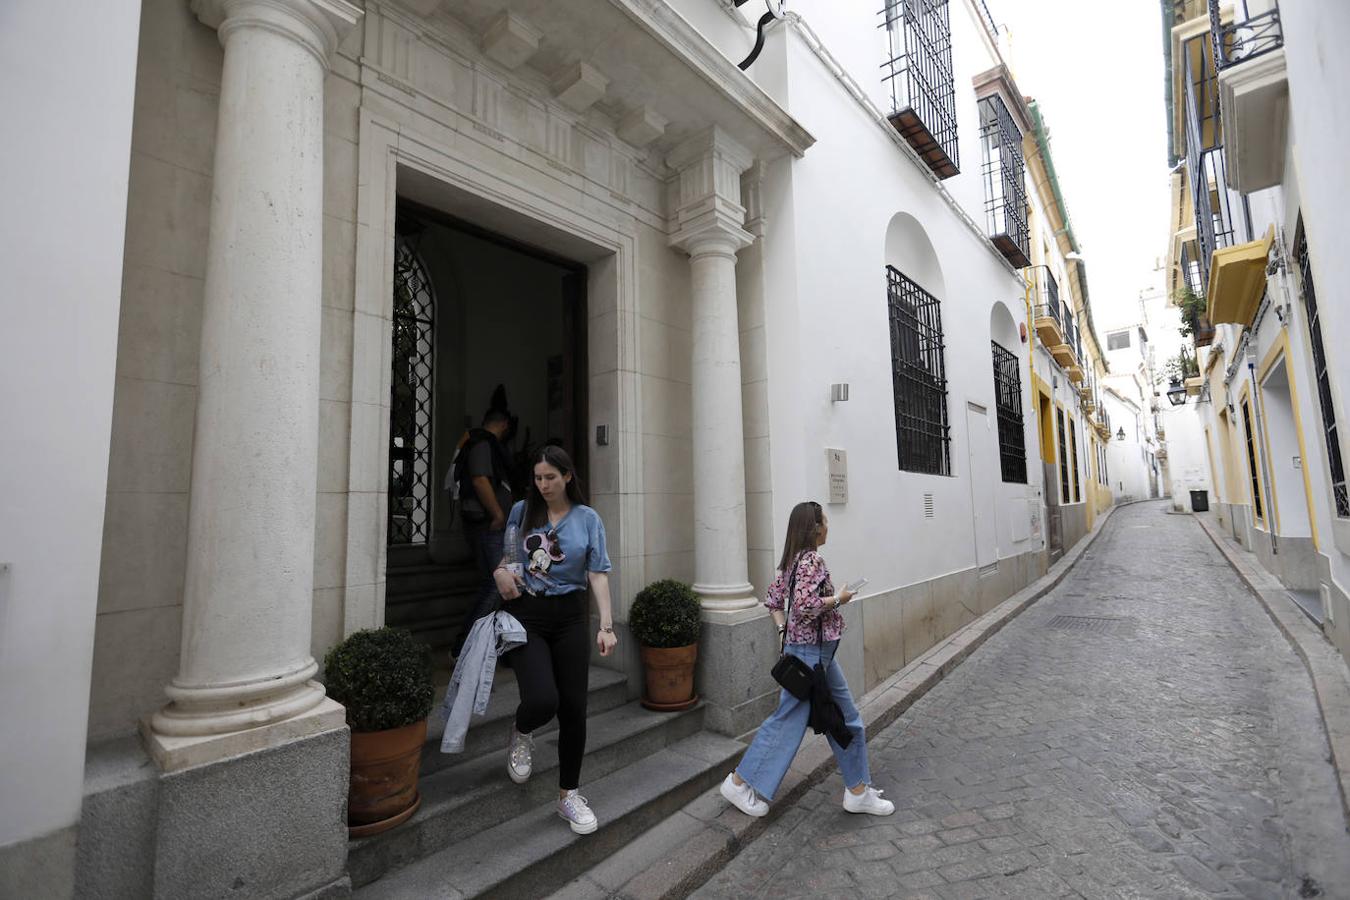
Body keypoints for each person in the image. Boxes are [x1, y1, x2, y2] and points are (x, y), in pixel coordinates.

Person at [719, 501, 894, 818]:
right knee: (787, 723)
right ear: (814, 528)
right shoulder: (811, 559)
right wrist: (839, 599)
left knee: (846, 717)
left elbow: (773, 602)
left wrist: (783, 631)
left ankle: (857, 791)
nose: (828, 526)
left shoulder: (792, 560)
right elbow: (805, 606)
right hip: (811, 657)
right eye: (824, 521)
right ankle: (737, 781)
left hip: (816, 656)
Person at [493, 445, 616, 834]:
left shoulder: (588, 519)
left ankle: (568, 796)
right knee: (543, 699)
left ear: (567, 477)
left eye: (550, 477)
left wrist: (607, 626)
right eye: (538, 478)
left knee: (574, 709)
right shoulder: (521, 512)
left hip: (569, 619)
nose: (543, 485)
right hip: (527, 615)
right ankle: (522, 730)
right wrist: (500, 574)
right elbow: (509, 561)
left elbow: (597, 573)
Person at [450, 408, 515, 658]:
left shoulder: (478, 442)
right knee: (496, 584)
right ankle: (462, 647)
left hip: (491, 526)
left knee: (500, 584)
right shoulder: (482, 443)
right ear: (505, 425)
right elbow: (479, 479)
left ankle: (499, 647)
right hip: (489, 526)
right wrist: (498, 514)